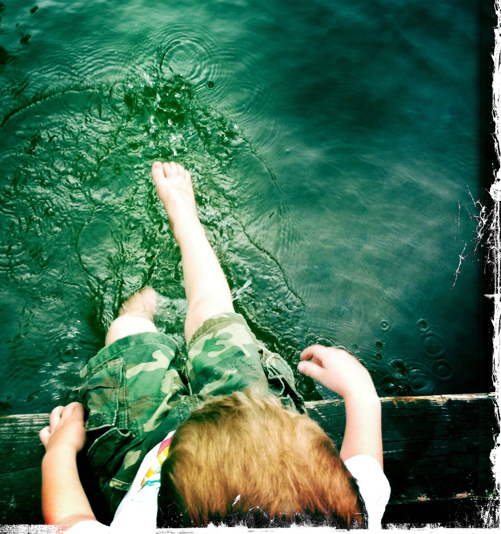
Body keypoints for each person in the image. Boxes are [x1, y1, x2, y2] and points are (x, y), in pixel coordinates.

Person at [39, 161, 391, 531]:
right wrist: (361, 395)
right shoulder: (345, 520)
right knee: (212, 312)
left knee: (128, 329)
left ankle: (141, 315)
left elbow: (70, 521)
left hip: (146, 458)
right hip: (260, 425)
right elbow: (366, 477)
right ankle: (185, 221)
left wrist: (59, 451)